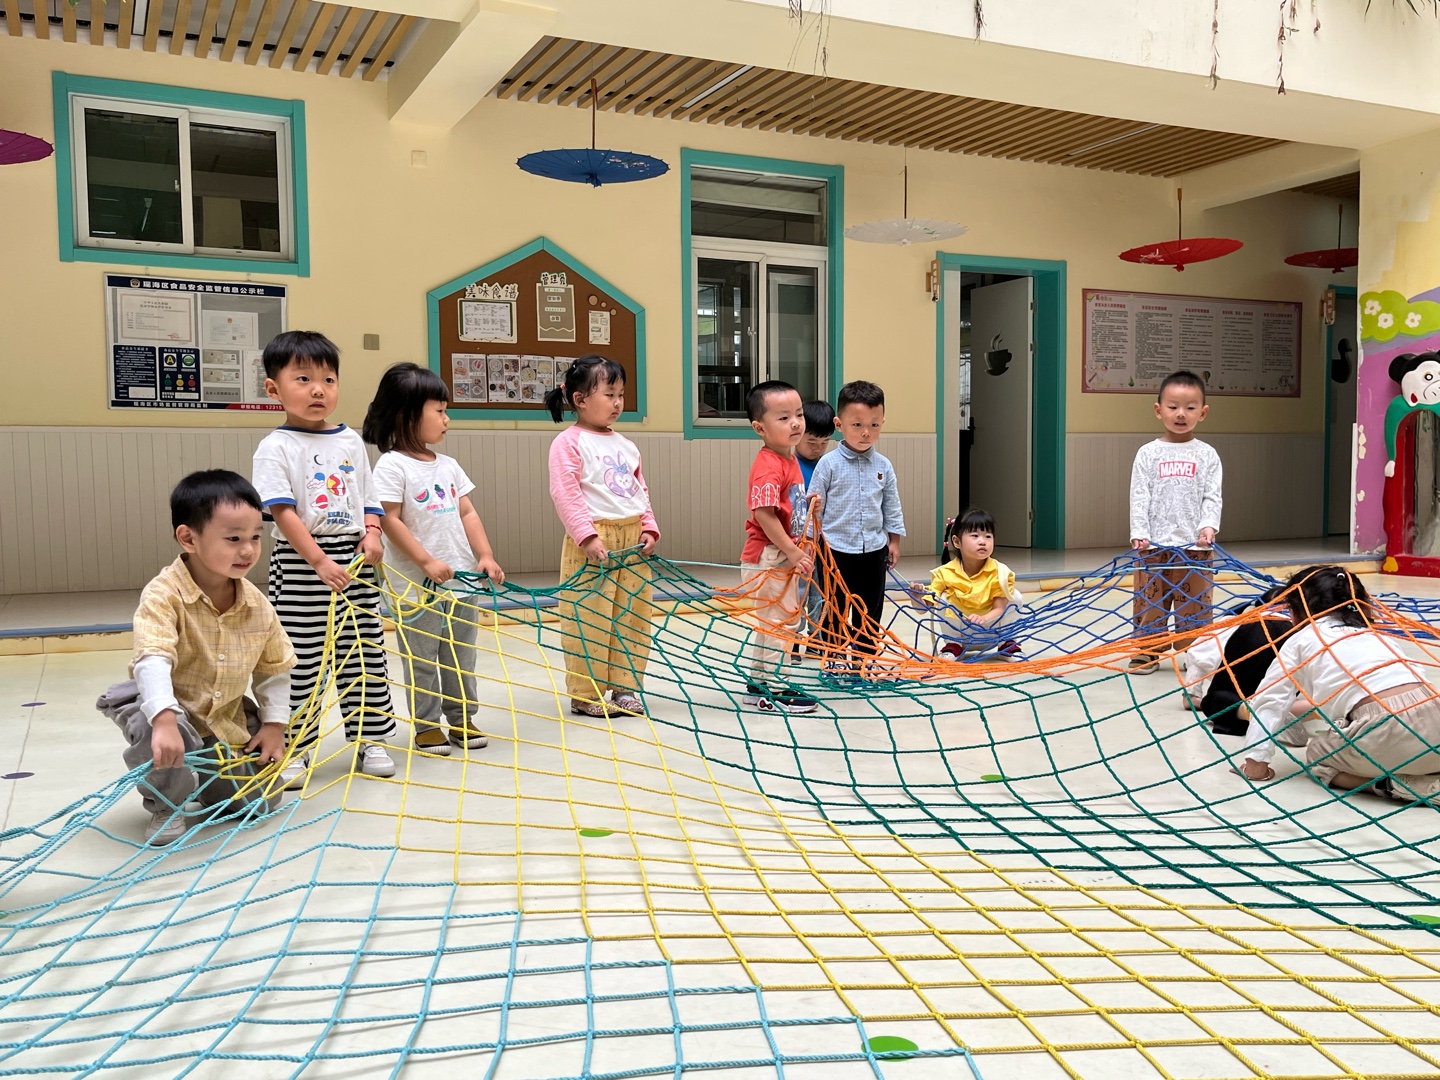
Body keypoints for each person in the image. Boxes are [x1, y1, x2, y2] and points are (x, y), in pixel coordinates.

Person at [96, 470, 295, 845]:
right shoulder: (163, 594)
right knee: (159, 731)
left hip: (223, 716)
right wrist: (164, 719)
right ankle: (166, 803)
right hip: (165, 706)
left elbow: (274, 670)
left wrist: (273, 726)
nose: (248, 550)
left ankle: (203, 781)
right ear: (188, 538)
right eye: (233, 539)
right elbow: (153, 658)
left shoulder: (257, 605)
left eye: (255, 537)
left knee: (260, 803)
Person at [251, 330, 397, 787]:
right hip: (301, 563)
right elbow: (282, 512)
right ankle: (295, 746)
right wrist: (317, 561)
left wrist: (373, 533)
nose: (318, 389)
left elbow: (368, 497)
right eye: (303, 379)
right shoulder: (275, 446)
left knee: (364, 652)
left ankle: (371, 738)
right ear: (273, 388)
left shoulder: (350, 440)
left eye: (328, 380)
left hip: (354, 559)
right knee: (301, 660)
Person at [363, 362, 505, 758]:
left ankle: (462, 718)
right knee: (422, 658)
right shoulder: (392, 465)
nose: (447, 419)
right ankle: (426, 725)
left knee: (461, 656)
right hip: (416, 587)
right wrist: (425, 562)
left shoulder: (449, 466)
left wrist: (485, 555)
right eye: (439, 411)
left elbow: (467, 513)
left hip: (461, 581)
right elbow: (388, 519)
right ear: (407, 415)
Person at [1238, 565, 1440, 805]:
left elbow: (1270, 702)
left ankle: (1396, 786)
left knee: (1317, 754)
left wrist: (1256, 764)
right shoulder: (1375, 636)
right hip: (1434, 714)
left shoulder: (1300, 640)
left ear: (1301, 609)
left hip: (1386, 729)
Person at [545, 355, 659, 719]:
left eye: (621, 394)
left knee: (632, 615)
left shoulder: (625, 444)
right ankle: (586, 693)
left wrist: (648, 526)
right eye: (609, 394)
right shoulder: (568, 442)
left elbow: (639, 490)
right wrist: (586, 536)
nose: (618, 402)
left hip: (632, 539)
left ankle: (625, 687)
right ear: (580, 399)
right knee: (589, 617)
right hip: (593, 540)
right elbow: (566, 493)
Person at [1128, 370, 1223, 675]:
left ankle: (1197, 653)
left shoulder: (1207, 455)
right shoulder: (1147, 453)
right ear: (1159, 410)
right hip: (1153, 547)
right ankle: (1146, 651)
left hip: (1195, 549)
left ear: (1203, 413)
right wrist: (1139, 533)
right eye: (1173, 407)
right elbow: (1139, 495)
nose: (1181, 414)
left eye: (1190, 407)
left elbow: (1212, 496)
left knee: (1195, 604)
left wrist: (1208, 526)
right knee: (1150, 600)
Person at [808, 380, 906, 671]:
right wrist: (810, 544)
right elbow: (812, 509)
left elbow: (892, 506)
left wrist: (894, 541)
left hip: (873, 550)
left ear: (883, 422)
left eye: (874, 425)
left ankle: (865, 659)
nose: (866, 432)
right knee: (834, 608)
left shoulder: (884, 466)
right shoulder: (828, 464)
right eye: (858, 425)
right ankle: (834, 657)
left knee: (869, 609)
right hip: (834, 551)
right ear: (839, 424)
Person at [738, 380, 817, 713]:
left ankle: (759, 683)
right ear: (760, 428)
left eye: (798, 414)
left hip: (782, 554)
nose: (796, 423)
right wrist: (793, 551)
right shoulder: (769, 465)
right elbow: (764, 514)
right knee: (779, 623)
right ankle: (773, 687)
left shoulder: (789, 459)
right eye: (784, 418)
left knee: (777, 621)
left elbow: (786, 509)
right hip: (769, 557)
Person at [908, 508, 1023, 661]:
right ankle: (953, 646)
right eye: (975, 536)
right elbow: (924, 609)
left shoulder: (1000, 571)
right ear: (956, 542)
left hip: (991, 632)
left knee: (1015, 596)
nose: (982, 541)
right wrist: (916, 599)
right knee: (942, 597)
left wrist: (983, 618)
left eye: (988, 536)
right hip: (962, 636)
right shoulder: (944, 573)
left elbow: (1000, 608)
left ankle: (1007, 645)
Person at [1183, 586, 1291, 735]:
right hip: (1282, 685)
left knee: (1214, 701)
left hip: (1236, 689)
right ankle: (1294, 711)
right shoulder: (1303, 630)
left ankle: (1255, 712)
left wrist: (1192, 694)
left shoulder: (1231, 623)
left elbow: (1198, 654)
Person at [792, 399, 835, 662]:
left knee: (822, 590)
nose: (817, 448)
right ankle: (793, 639)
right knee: (797, 591)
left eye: (824, 442)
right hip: (796, 542)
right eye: (811, 442)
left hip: (824, 541)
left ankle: (817, 638)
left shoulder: (828, 464)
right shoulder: (790, 464)